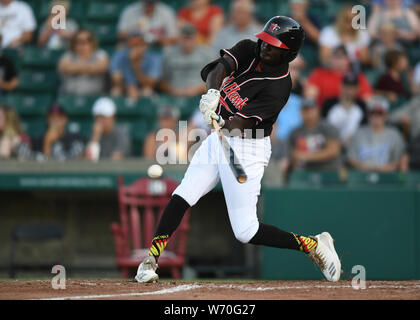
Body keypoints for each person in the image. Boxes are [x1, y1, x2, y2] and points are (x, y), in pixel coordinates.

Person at [135, 16, 342, 284]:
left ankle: (312, 245)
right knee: (182, 194)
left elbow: (240, 125)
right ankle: (150, 260)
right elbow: (217, 70)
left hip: (248, 146)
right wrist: (212, 95)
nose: (265, 48)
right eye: (265, 41)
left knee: (246, 231)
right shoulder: (249, 47)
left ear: (289, 54)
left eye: (273, 46)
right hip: (217, 139)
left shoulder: (279, 87)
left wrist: (220, 120)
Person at [347, 96, 407, 172]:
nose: (376, 117)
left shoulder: (394, 134)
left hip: (387, 177)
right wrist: (369, 168)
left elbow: (401, 160)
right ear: (368, 115)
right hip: (361, 177)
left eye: (380, 113)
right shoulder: (358, 133)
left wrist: (385, 168)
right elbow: (351, 160)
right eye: (373, 113)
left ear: (385, 115)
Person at [306, 45, 373, 108]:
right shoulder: (319, 74)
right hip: (324, 114)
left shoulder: (358, 78)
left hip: (353, 114)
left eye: (341, 57)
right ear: (330, 59)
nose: (338, 61)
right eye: (336, 57)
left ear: (348, 59)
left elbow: (367, 100)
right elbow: (310, 98)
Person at [159, 24, 213, 97]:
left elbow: (214, 80)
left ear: (196, 38)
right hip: (174, 95)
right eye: (185, 38)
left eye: (190, 38)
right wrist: (173, 90)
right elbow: (161, 82)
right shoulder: (169, 54)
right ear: (179, 38)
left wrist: (199, 89)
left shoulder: (207, 54)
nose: (187, 42)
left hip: (200, 96)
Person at [289, 98, 341, 171]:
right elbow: (293, 154)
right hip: (305, 172)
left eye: (311, 109)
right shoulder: (295, 132)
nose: (309, 113)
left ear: (317, 110)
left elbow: (333, 151)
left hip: (328, 170)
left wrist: (306, 156)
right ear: (301, 112)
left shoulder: (328, 127)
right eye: (305, 110)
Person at [110, 30, 162, 100]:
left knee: (147, 91)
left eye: (140, 43)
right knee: (115, 91)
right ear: (128, 43)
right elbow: (116, 81)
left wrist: (135, 65)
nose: (137, 47)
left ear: (145, 44)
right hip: (125, 88)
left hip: (144, 89)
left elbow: (151, 84)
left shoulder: (154, 58)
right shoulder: (119, 56)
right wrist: (129, 88)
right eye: (133, 44)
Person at [58, 29, 109, 96]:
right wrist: (90, 68)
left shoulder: (100, 54)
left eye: (87, 40)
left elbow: (102, 67)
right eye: (79, 41)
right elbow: (63, 67)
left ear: (92, 42)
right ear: (74, 43)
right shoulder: (69, 55)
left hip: (95, 97)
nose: (83, 44)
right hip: (69, 98)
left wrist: (75, 68)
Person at [325, 72, 367, 148]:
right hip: (330, 146)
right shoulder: (329, 103)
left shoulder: (362, 106)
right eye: (347, 86)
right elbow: (322, 126)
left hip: (355, 147)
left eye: (352, 87)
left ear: (358, 88)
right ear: (341, 86)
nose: (349, 90)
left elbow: (364, 128)